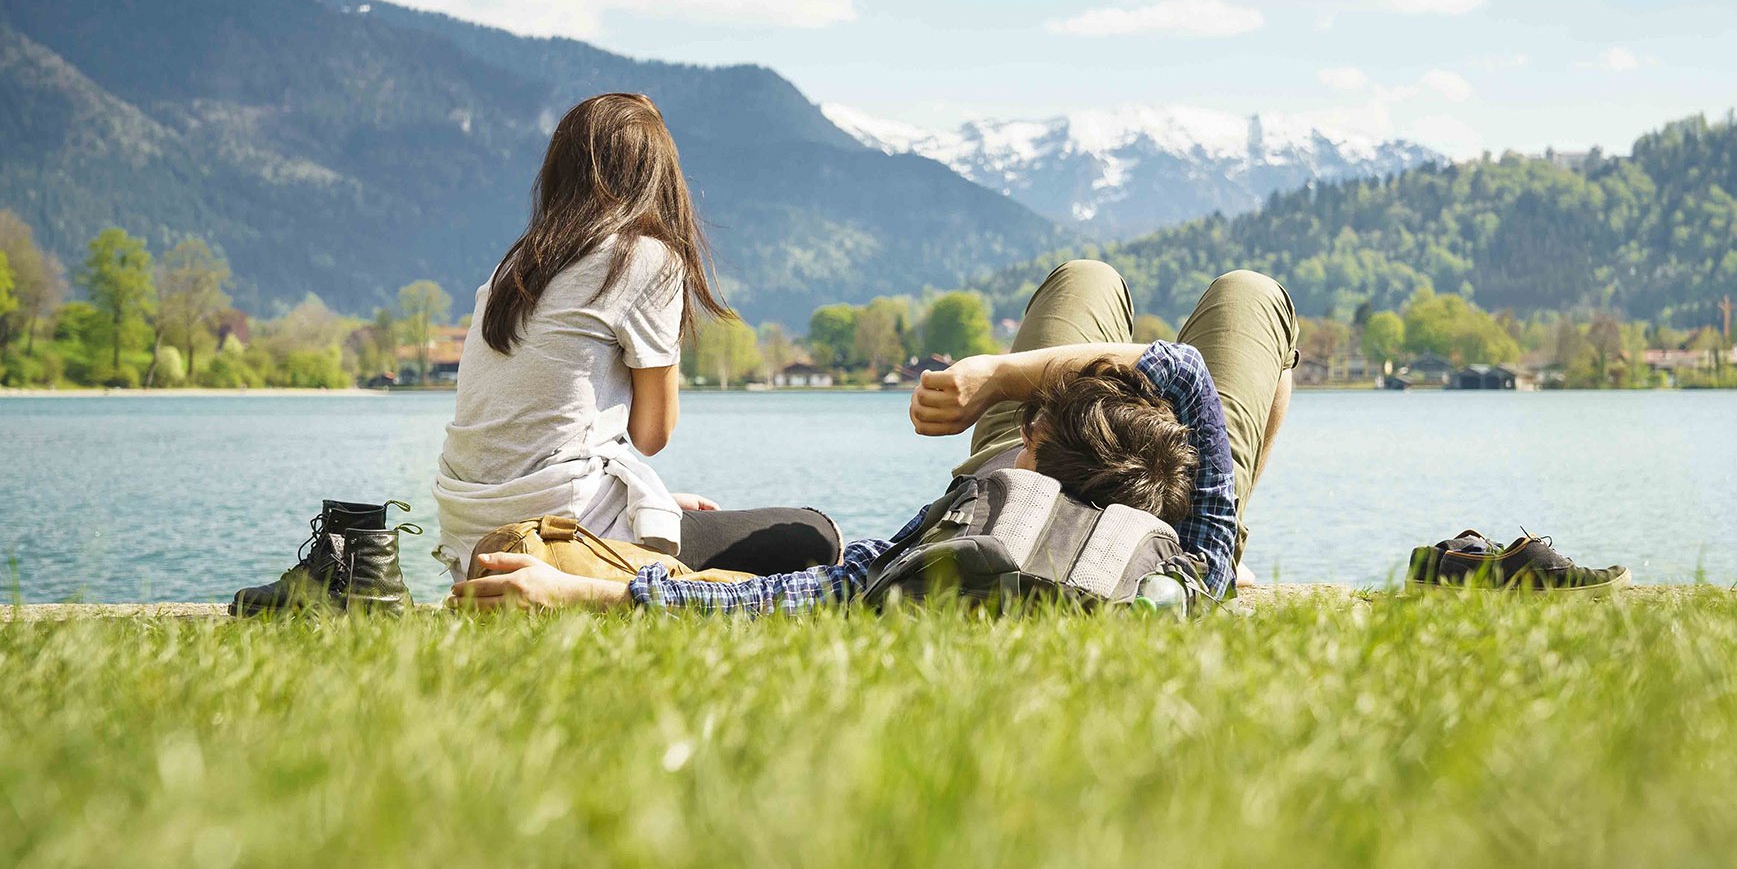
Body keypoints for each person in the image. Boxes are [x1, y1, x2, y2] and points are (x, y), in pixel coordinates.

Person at [449, 259, 1299, 613]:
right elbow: (1183, 371)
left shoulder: (973, 534)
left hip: (1111, 466)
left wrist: (583, 594)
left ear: (1027, 449)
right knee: (1255, 297)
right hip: (1149, 486)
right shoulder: (1195, 563)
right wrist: (1003, 384)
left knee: (1088, 279)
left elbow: (793, 597)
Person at [432, 92, 839, 585]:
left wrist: (651, 504)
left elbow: (545, 436)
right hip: (561, 526)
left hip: (472, 532)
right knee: (816, 536)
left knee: (690, 521)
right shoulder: (643, 257)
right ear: (658, 176)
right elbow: (653, 435)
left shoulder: (513, 269)